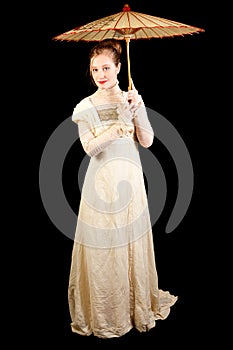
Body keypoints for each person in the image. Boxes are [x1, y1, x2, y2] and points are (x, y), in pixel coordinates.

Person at [68, 38, 177, 339]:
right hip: (100, 184)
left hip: (130, 182)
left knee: (130, 243)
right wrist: (116, 127)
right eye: (95, 69)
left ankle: (134, 308)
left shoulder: (130, 98)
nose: (100, 74)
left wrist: (137, 110)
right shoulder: (86, 107)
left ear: (119, 66)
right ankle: (106, 315)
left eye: (106, 67)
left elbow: (147, 141)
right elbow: (90, 148)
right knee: (105, 249)